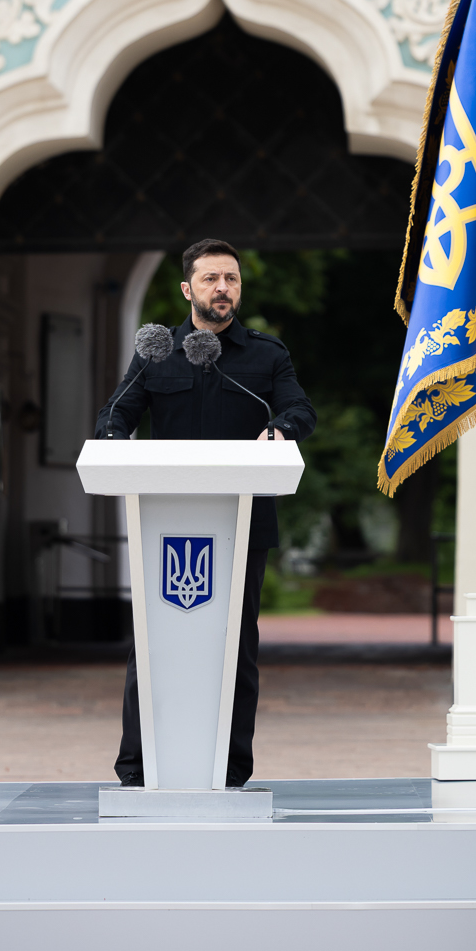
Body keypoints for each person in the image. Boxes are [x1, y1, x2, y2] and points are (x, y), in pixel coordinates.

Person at [96, 238, 317, 788]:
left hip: (244, 525)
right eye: (211, 278)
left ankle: (231, 768)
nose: (223, 288)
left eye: (231, 279)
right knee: (152, 646)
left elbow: (299, 409)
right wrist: (112, 438)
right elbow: (115, 415)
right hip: (164, 528)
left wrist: (281, 429)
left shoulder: (266, 355)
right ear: (187, 289)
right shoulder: (156, 352)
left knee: (236, 647)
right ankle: (138, 766)